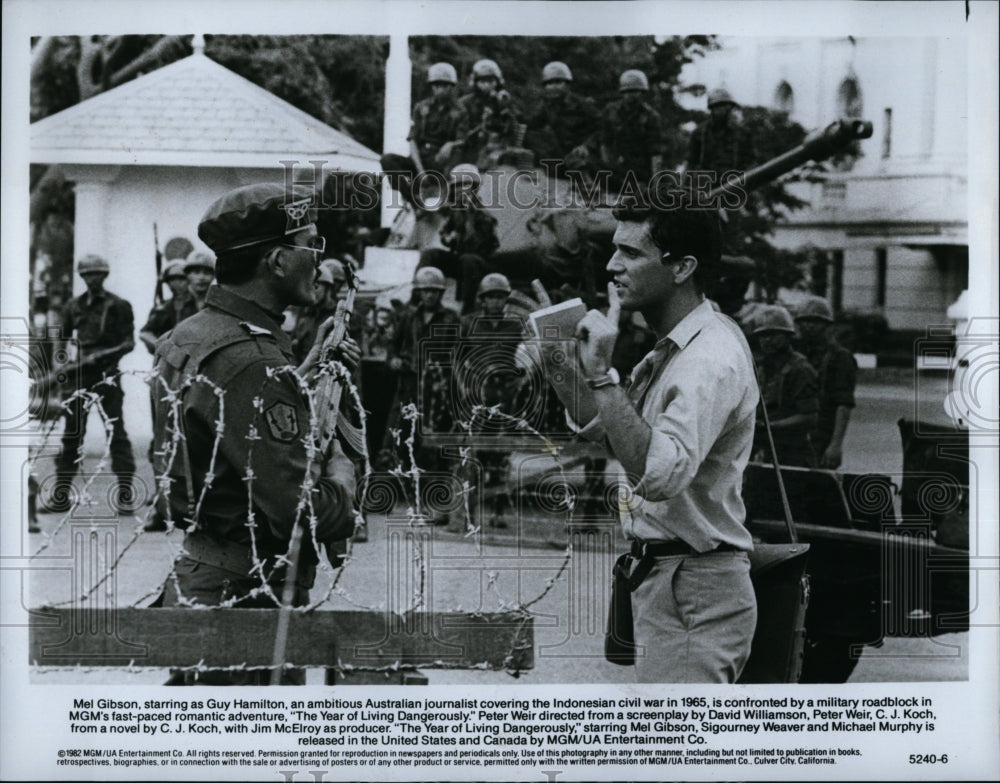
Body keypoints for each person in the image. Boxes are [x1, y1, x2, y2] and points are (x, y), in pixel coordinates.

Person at [150, 183, 357, 684]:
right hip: (248, 603)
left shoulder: (192, 334)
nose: (318, 260)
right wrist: (344, 475)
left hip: (206, 582)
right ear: (279, 261)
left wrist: (297, 379)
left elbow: (226, 439)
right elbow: (299, 509)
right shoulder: (254, 362)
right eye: (312, 247)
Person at [569, 189, 758, 682]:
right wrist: (561, 362)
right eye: (614, 249)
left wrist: (601, 378)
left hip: (693, 588)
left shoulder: (707, 358)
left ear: (682, 267)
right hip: (668, 579)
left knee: (678, 753)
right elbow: (619, 439)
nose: (612, 266)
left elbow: (656, 474)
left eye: (631, 252)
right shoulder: (677, 347)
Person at [38, 255, 137, 514]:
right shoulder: (74, 306)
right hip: (80, 376)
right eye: (88, 275)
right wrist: (61, 365)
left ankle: (125, 496)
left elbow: (129, 343)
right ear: (82, 277)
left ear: (105, 276)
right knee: (72, 435)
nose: (93, 279)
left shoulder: (119, 305)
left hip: (108, 375)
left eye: (97, 274)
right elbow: (61, 336)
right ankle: (61, 496)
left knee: (117, 435)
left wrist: (102, 357)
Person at [377, 266, 461, 524]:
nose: (428, 296)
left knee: (433, 449)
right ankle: (388, 498)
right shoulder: (408, 317)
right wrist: (392, 359)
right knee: (394, 441)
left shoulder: (450, 319)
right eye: (424, 291)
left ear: (440, 293)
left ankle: (436, 504)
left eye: (433, 292)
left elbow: (459, 352)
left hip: (436, 391)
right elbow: (392, 343)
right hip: (407, 387)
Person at [456, 273, 528, 528]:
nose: (495, 302)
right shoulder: (468, 323)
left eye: (500, 297)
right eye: (490, 298)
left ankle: (498, 512)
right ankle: (468, 515)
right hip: (479, 396)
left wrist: (521, 381)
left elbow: (529, 357)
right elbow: (457, 360)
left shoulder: (517, 325)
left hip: (506, 397)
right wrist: (465, 387)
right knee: (474, 457)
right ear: (482, 300)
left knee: (500, 458)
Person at [381, 62, 464, 204]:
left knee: (458, 158)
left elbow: (463, 139)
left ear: (452, 87)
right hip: (421, 159)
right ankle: (414, 202)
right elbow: (412, 140)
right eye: (437, 85)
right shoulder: (422, 108)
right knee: (387, 160)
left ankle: (445, 195)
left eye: (445, 85)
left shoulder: (460, 111)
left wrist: (451, 144)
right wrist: (420, 172)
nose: (440, 89)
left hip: (442, 161)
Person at [751, 304, 819, 467]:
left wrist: (770, 426)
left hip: (793, 452)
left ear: (788, 336)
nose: (767, 340)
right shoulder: (761, 368)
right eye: (763, 335)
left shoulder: (800, 369)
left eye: (773, 335)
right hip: (764, 449)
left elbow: (810, 417)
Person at [795, 296, 857, 469]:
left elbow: (843, 404)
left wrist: (835, 445)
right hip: (795, 437)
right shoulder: (798, 356)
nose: (808, 326)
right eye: (804, 321)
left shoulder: (840, 358)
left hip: (821, 437)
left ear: (828, 326)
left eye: (816, 322)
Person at [524, 61, 599, 176]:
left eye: (558, 82)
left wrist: (586, 145)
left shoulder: (582, 104)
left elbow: (602, 127)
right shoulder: (548, 106)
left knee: (603, 174)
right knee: (552, 169)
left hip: (586, 152)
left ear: (568, 84)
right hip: (565, 153)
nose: (553, 87)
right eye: (549, 83)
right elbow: (531, 123)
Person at [600, 70, 663, 190]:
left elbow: (655, 154)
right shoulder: (610, 111)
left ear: (642, 92)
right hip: (616, 166)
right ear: (622, 92)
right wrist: (607, 166)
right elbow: (605, 143)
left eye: (635, 91)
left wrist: (656, 184)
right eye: (628, 91)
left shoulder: (650, 116)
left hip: (638, 169)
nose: (631, 95)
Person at [455, 59, 519, 169]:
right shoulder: (466, 102)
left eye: (490, 81)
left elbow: (513, 130)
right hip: (470, 147)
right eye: (482, 81)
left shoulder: (503, 100)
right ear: (475, 82)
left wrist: (504, 107)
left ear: (497, 82)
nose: (486, 85)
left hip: (496, 149)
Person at [290, 257, 346, 362]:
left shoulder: (339, 314)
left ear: (329, 288)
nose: (312, 290)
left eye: (317, 286)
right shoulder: (305, 312)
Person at [139, 260, 199, 353]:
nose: (176, 283)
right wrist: (164, 347)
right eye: (172, 279)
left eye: (181, 279)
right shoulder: (162, 308)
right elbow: (145, 333)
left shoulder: (199, 304)